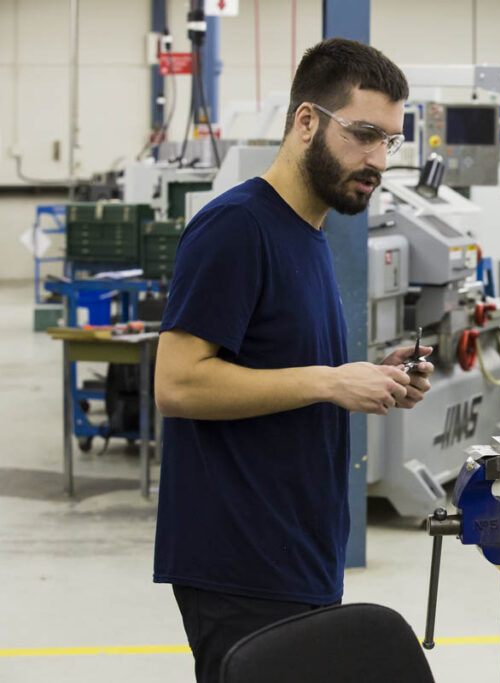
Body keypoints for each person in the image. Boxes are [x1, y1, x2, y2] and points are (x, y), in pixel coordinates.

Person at [153, 38, 433, 681]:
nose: (377, 160)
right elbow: (177, 383)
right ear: (307, 121)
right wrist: (329, 381)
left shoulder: (307, 232)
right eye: (363, 134)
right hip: (241, 560)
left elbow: (283, 366)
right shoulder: (236, 227)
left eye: (390, 141)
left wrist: (369, 375)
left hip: (298, 549)